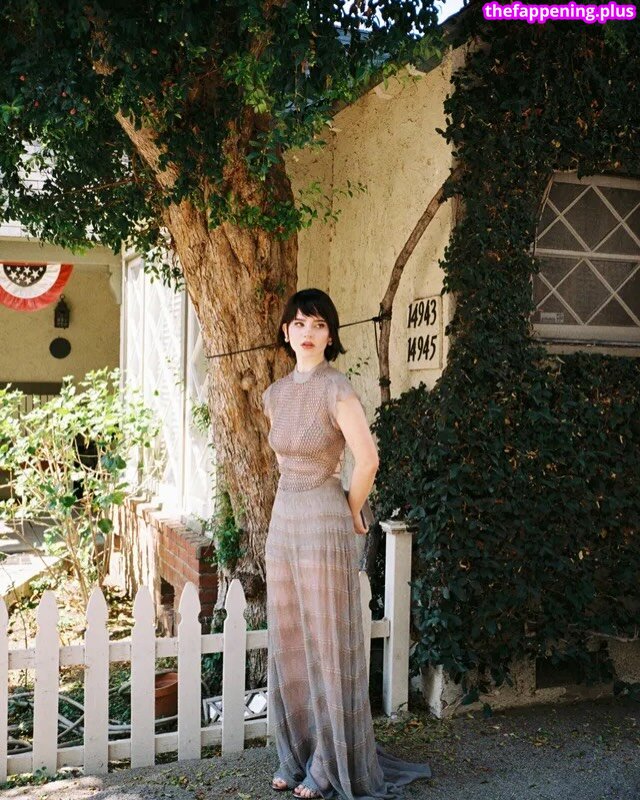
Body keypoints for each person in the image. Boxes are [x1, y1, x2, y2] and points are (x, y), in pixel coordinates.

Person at [261, 288, 432, 799]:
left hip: (323, 517)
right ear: (286, 332)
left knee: (326, 638)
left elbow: (368, 459)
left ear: (330, 335)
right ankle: (296, 756)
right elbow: (283, 458)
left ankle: (329, 764)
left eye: (318, 324)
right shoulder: (274, 394)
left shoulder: (337, 388)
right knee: (290, 639)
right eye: (299, 324)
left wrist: (353, 508)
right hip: (283, 520)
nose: (307, 333)